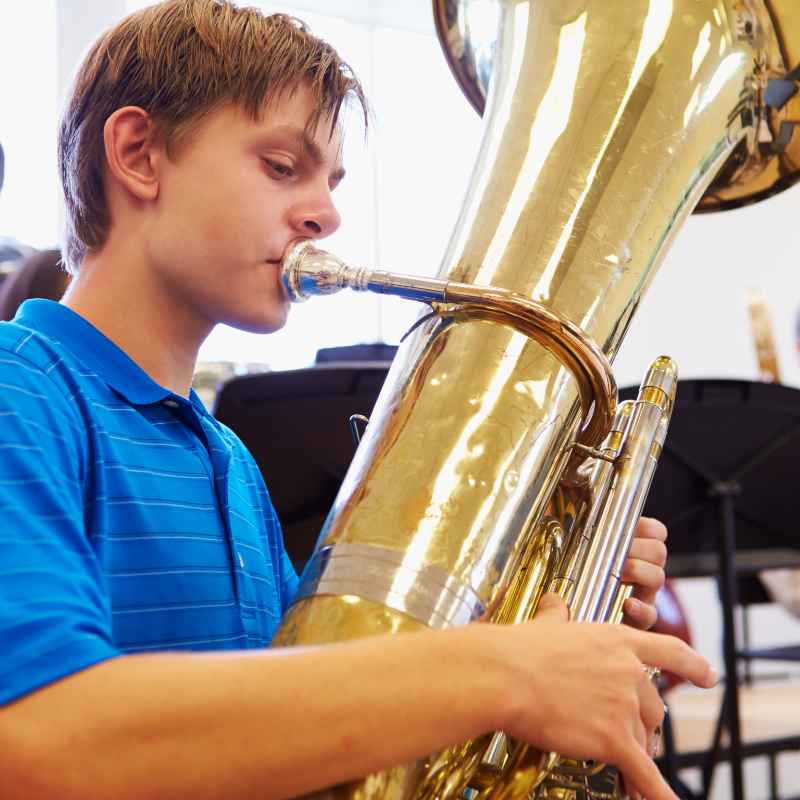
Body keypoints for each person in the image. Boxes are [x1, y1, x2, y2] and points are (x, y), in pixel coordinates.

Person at [0, 3, 715, 800]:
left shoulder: (227, 460)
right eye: (281, 166)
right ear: (138, 154)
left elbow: (294, 728)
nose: (326, 213)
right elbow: (34, 741)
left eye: (331, 181)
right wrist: (506, 670)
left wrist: (556, 630)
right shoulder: (19, 392)